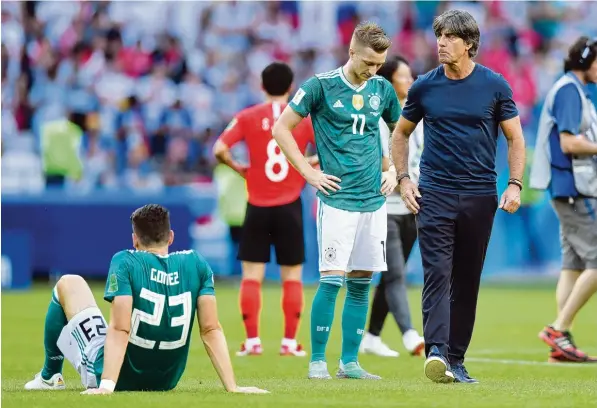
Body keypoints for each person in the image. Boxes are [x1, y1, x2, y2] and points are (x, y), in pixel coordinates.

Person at [391, 10, 526, 384]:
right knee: (437, 274)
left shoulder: (495, 85)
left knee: (467, 279)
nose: (442, 43)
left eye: (450, 37)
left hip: (480, 195)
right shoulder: (424, 87)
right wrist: (404, 179)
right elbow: (400, 134)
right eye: (439, 36)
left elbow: (515, 138)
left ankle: (457, 358)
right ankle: (436, 352)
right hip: (433, 193)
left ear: (469, 43)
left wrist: (514, 183)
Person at [24, 204, 268, 394]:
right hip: (166, 380)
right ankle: (53, 377)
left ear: (135, 239)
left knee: (68, 282)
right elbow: (211, 328)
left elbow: (120, 327)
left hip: (114, 374)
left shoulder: (124, 261)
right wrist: (233, 387)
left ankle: (50, 376)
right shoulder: (196, 263)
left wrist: (106, 385)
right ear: (170, 236)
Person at [273, 22, 400, 380]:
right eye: (368, 63)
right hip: (337, 199)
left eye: (379, 64)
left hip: (373, 201)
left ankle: (350, 363)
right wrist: (309, 174)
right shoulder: (320, 86)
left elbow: (399, 131)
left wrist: (394, 170)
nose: (373, 71)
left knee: (362, 282)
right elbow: (281, 128)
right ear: (351, 52)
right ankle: (316, 361)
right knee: (332, 280)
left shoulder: (382, 89)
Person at [213, 62, 316, 357]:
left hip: (257, 204)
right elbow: (324, 150)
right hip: (290, 206)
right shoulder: (301, 119)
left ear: (262, 86)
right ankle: (288, 342)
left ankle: (253, 341)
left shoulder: (247, 116)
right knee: (292, 277)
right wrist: (306, 164)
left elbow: (219, 149)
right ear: (290, 87)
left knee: (251, 276)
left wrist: (238, 168)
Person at [530, 36, 597, 363]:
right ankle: (559, 328)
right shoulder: (570, 90)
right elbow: (570, 143)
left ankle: (562, 343)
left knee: (573, 265)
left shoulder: (571, 88)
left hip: (567, 189)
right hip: (574, 188)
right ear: (585, 61)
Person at [360, 56, 425, 358]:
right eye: (403, 77)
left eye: (411, 76)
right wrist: (401, 180)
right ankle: (410, 334)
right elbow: (377, 161)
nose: (410, 82)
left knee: (390, 275)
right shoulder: (377, 119)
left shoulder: (419, 116)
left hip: (412, 207)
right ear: (388, 82)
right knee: (396, 273)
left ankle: (371, 336)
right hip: (385, 206)